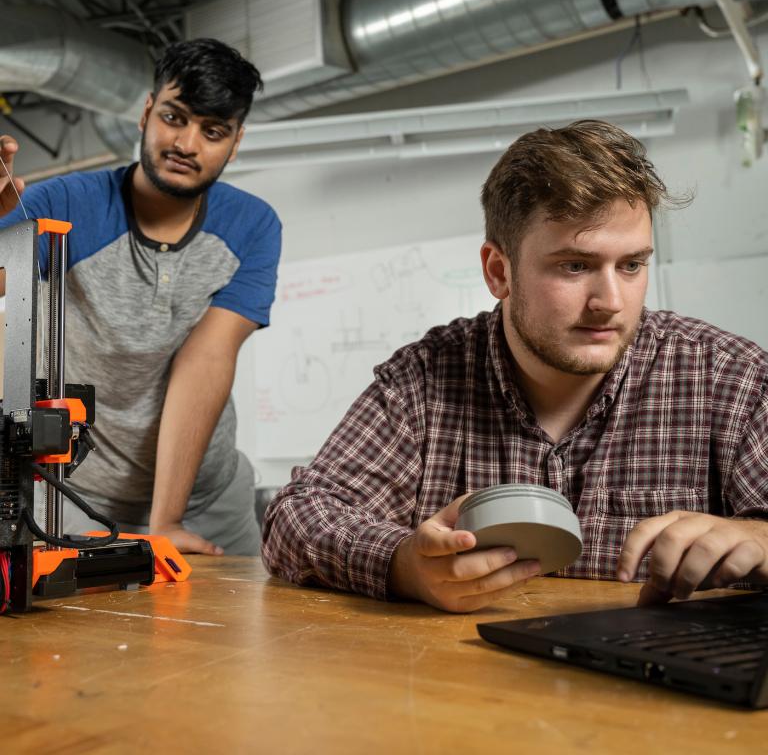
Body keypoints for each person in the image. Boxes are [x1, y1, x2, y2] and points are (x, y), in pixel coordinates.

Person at [262, 119, 768, 611]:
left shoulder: (731, 380)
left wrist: (758, 536)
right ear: (498, 271)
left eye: (632, 265)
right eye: (576, 266)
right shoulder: (423, 379)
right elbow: (295, 517)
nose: (611, 301)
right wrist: (403, 565)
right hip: (469, 687)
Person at [0, 38, 281, 556]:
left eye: (213, 131)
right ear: (147, 112)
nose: (187, 144)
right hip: (74, 497)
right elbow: (2, 286)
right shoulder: (61, 203)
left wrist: (166, 521)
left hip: (207, 500)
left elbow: (206, 359)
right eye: (175, 118)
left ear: (235, 143)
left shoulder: (253, 225)